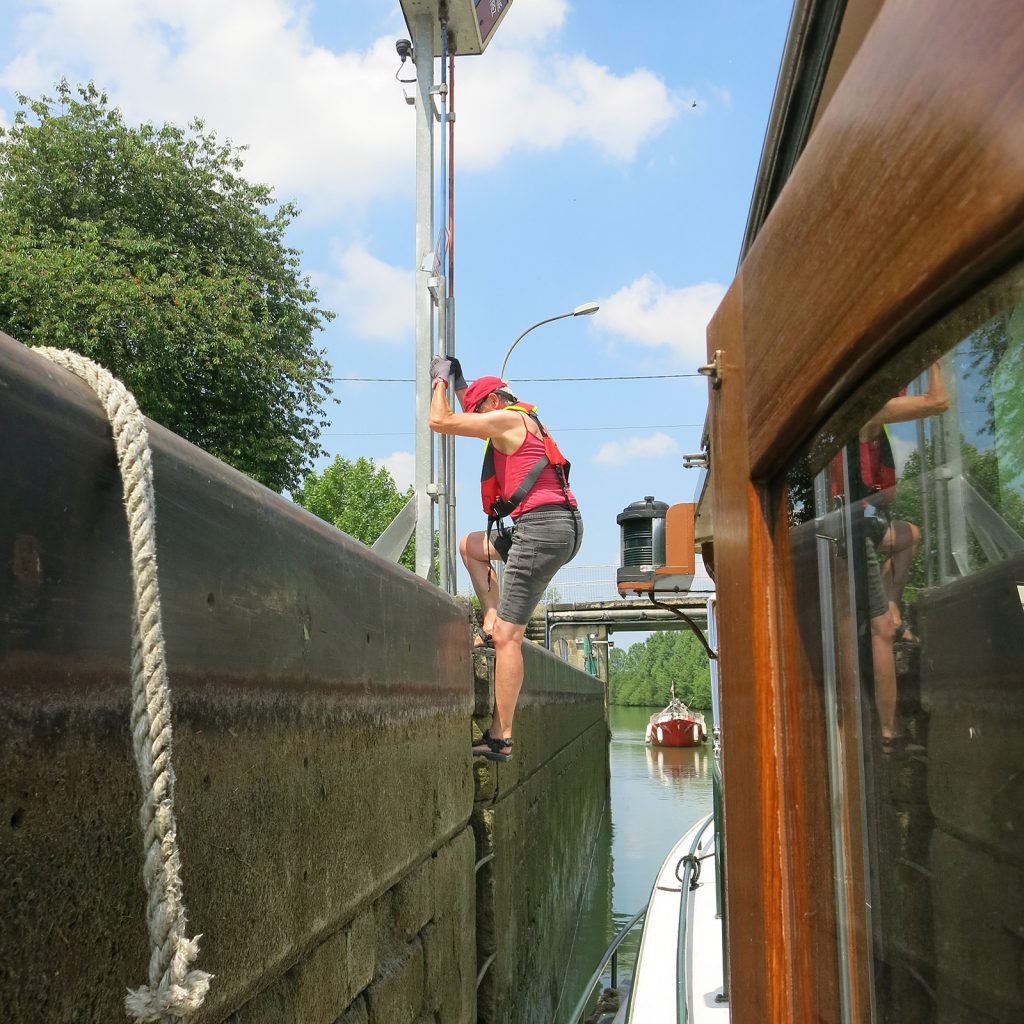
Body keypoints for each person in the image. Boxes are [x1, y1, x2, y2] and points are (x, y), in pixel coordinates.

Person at [428, 356, 583, 762]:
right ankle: (491, 617)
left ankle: (502, 737)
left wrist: (439, 382)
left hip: (542, 528)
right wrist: (459, 378)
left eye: (479, 412)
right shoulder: (520, 417)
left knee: (509, 639)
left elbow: (440, 420)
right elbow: (470, 407)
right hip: (559, 526)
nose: (476, 420)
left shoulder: (508, 421)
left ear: (495, 402)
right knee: (470, 548)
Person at [855, 363, 948, 752]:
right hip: (852, 532)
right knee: (883, 633)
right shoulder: (870, 410)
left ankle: (893, 605)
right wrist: (935, 357)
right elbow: (938, 402)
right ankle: (891, 733)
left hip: (866, 524)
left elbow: (886, 498)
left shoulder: (873, 419)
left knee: (910, 535)